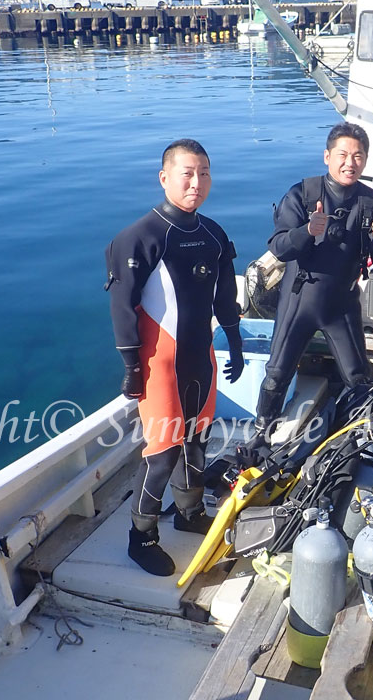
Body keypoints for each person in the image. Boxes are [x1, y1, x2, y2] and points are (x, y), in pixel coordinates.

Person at [105, 139, 245, 576]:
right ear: (164, 177)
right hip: (158, 364)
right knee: (164, 451)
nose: (196, 181)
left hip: (200, 358)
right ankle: (140, 537)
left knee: (198, 439)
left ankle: (188, 514)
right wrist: (131, 365)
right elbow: (122, 305)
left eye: (204, 172)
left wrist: (236, 343)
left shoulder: (214, 235)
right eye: (187, 172)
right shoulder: (139, 237)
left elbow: (225, 296)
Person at [254, 122, 373, 433]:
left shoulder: (371, 203)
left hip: (342, 304)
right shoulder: (303, 195)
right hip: (300, 299)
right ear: (327, 156)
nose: (350, 163)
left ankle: (362, 436)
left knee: (358, 376)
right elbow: (278, 248)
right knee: (277, 373)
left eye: (358, 156)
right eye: (343, 155)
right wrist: (306, 231)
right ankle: (262, 431)